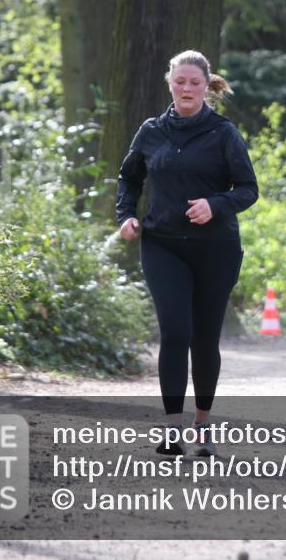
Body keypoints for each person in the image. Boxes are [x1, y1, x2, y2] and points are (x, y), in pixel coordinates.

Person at [117, 50, 258, 456]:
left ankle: (203, 424)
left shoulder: (223, 133)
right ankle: (172, 428)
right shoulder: (151, 131)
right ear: (170, 83)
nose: (186, 89)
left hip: (215, 248)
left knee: (205, 338)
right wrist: (126, 215)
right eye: (180, 81)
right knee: (175, 332)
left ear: (206, 86)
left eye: (195, 82)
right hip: (163, 244)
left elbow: (248, 189)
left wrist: (215, 204)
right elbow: (129, 178)